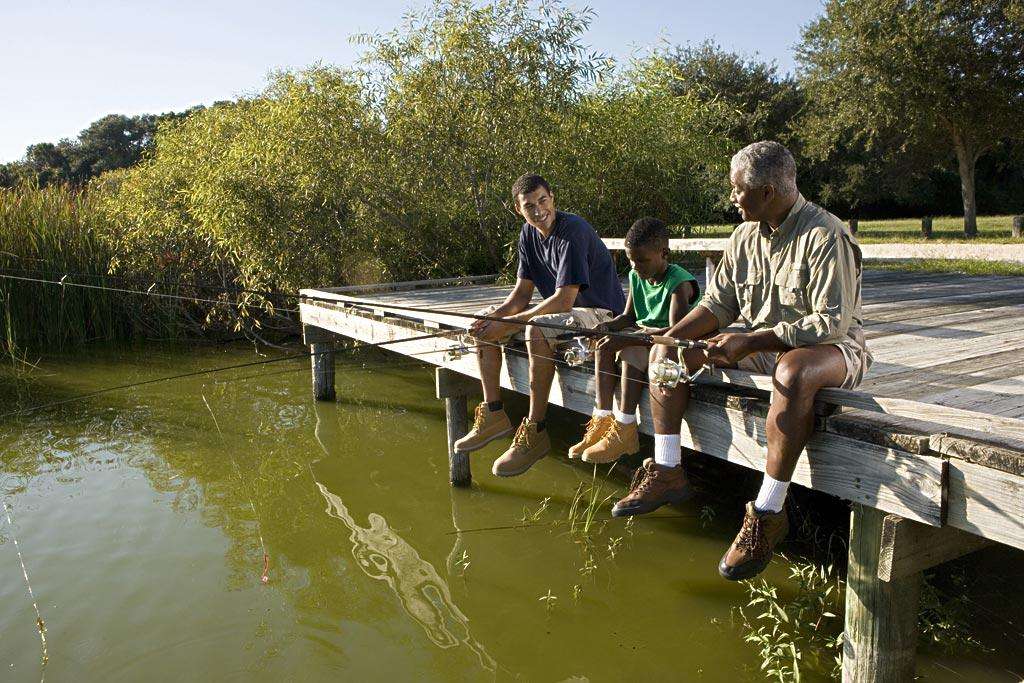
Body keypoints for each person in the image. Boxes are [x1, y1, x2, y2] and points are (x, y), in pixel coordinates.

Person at [611, 141, 872, 581]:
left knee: (792, 369)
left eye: (737, 189)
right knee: (667, 352)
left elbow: (829, 323)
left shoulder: (825, 234)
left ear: (767, 192)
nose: (732, 197)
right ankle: (669, 469)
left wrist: (748, 342)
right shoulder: (744, 235)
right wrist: (672, 338)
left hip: (833, 351)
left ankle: (769, 513)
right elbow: (718, 304)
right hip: (756, 343)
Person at [454, 173, 626, 477]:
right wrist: (495, 320)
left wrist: (511, 324)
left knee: (535, 328)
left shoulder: (573, 231)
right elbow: (521, 295)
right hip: (562, 315)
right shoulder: (527, 234)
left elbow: (564, 299)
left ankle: (535, 431)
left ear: (552, 198)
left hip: (601, 315)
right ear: (519, 209)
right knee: (487, 322)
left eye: (542, 201)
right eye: (529, 206)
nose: (538, 210)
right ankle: (494, 413)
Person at [568, 217, 698, 466]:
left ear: (664, 253)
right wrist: (605, 327)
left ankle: (626, 425)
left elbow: (676, 331)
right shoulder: (636, 275)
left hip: (666, 343)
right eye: (632, 260)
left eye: (642, 260)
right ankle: (603, 418)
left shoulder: (678, 283)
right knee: (605, 345)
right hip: (642, 334)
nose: (636, 266)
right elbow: (628, 316)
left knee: (629, 351)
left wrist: (629, 337)